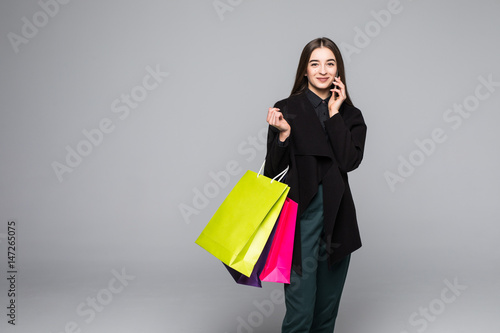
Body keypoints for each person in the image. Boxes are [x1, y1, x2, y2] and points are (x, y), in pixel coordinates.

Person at [264, 37, 367, 332]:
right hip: (298, 220)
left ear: (338, 70)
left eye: (330, 63)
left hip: (338, 220)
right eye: (315, 63)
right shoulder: (286, 109)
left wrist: (335, 113)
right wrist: (283, 135)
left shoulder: (351, 115)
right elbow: (272, 171)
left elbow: (349, 162)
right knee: (300, 312)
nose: (322, 70)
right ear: (305, 70)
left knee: (325, 314)